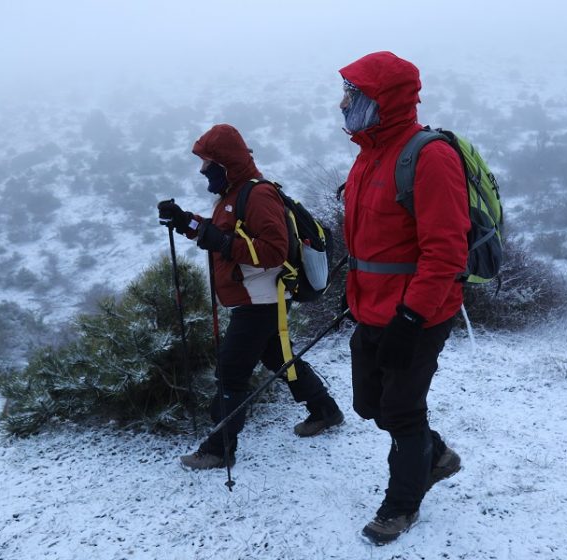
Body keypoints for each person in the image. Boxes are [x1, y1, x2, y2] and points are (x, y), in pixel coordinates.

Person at [157, 124, 344, 470]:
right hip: (256, 299)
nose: (202, 170)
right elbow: (220, 234)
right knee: (278, 357)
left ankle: (219, 448)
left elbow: (275, 250)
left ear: (225, 163)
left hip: (260, 300)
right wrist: (186, 222)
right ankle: (325, 411)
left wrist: (222, 243)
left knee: (231, 372)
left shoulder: (257, 195)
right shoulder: (232, 194)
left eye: (207, 162)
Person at [338, 51, 468, 545]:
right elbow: (372, 242)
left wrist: (410, 318)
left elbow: (446, 251)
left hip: (419, 313)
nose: (343, 101)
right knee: (371, 405)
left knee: (403, 410)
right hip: (371, 307)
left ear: (382, 100)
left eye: (353, 93)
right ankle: (435, 455)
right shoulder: (369, 154)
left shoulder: (429, 156)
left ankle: (401, 505)